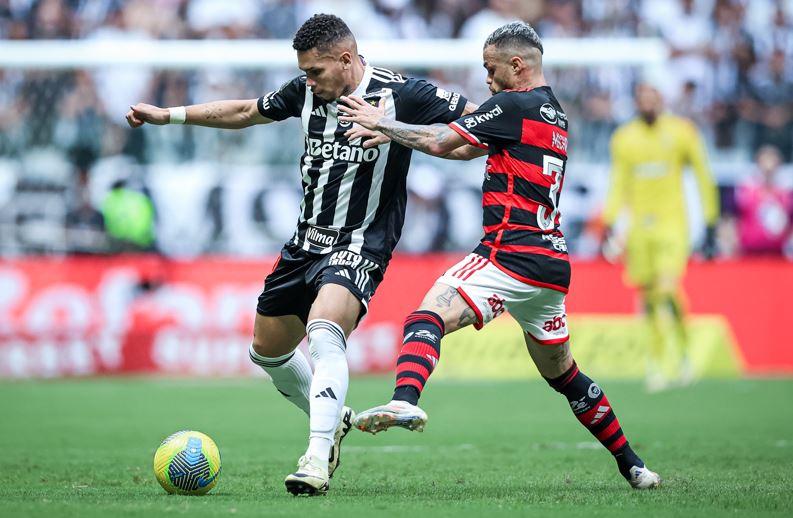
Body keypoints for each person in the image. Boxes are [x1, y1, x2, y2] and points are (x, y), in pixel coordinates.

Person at [126, 13, 473, 496]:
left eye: (316, 71)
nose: (308, 80)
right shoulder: (306, 92)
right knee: (267, 350)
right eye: (305, 72)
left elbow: (480, 126)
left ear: (347, 59)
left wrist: (394, 129)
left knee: (324, 334)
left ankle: (316, 456)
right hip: (304, 243)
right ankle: (337, 418)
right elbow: (245, 111)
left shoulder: (404, 94)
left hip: (360, 242)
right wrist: (170, 115)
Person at [338, 21, 661, 490]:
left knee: (426, 317)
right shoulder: (551, 113)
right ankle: (634, 465)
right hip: (551, 265)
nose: (486, 81)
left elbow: (437, 142)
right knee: (564, 373)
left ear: (517, 64)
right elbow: (459, 150)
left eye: (491, 70)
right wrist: (397, 135)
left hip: (508, 252)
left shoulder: (511, 104)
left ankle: (404, 399)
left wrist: (382, 122)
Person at [603, 83, 719, 392]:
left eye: (652, 97)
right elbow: (619, 182)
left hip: (672, 225)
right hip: (640, 229)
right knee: (649, 297)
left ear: (661, 99)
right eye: (642, 98)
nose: (647, 103)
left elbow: (703, 174)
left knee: (667, 290)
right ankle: (656, 364)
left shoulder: (682, 132)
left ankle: (682, 353)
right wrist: (609, 220)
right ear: (636, 102)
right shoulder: (625, 138)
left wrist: (710, 220)